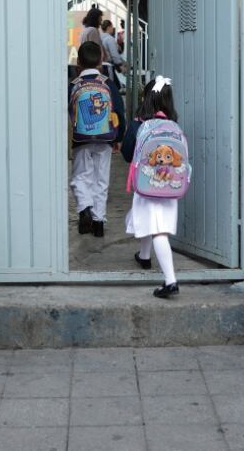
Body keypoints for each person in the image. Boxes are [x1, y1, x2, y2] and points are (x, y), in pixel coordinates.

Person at [122, 76, 181, 298]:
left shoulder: (139, 124)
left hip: (147, 187)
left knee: (158, 231)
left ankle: (170, 280)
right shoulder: (173, 125)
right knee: (154, 222)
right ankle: (144, 256)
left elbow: (128, 153)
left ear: (146, 99)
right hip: (169, 188)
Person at [69, 41, 125, 238]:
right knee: (101, 179)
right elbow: (119, 110)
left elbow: (67, 113)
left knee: (80, 177)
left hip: (81, 139)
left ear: (78, 63)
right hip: (106, 139)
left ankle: (84, 207)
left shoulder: (74, 85)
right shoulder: (107, 84)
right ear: (101, 61)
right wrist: (118, 137)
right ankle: (98, 222)